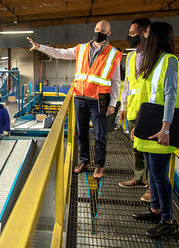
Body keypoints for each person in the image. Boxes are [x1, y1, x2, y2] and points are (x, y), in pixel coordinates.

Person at [27, 20, 122, 178]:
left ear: (109, 33)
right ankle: (84, 161)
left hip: (99, 99)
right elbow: (60, 53)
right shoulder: (82, 48)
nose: (99, 32)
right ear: (94, 29)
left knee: (99, 134)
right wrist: (40, 47)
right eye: (97, 29)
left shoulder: (114, 54)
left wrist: (113, 103)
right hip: (80, 97)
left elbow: (116, 81)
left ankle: (99, 166)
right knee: (81, 133)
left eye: (103, 30)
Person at [131, 22, 179, 237]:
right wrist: (137, 125)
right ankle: (155, 209)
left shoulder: (169, 61)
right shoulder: (152, 62)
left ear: (156, 36)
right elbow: (145, 97)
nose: (143, 36)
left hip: (161, 129)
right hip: (148, 126)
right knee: (153, 174)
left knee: (159, 176)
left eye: (146, 33)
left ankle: (168, 220)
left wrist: (166, 129)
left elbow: (170, 96)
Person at [118, 18, 152, 203]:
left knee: (150, 150)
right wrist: (123, 106)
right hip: (133, 109)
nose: (130, 36)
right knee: (137, 147)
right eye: (129, 33)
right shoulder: (131, 57)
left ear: (144, 33)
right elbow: (127, 85)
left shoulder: (156, 55)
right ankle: (139, 178)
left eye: (133, 33)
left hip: (150, 110)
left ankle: (151, 187)